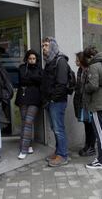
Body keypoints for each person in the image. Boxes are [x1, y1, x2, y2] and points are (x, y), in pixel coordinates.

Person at [41, 37, 70, 167]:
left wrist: (53, 99)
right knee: (55, 128)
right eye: (43, 46)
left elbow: (62, 84)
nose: (44, 48)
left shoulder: (60, 61)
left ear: (53, 46)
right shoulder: (49, 62)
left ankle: (63, 155)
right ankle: (59, 152)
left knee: (58, 129)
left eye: (46, 45)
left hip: (57, 102)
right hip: (50, 101)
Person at [83, 46, 102, 169]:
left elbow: (93, 86)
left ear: (90, 56)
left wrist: (85, 87)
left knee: (100, 133)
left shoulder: (94, 66)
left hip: (97, 104)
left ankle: (100, 161)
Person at [15, 49, 42, 160]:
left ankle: (24, 149)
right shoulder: (22, 68)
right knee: (24, 122)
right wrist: (34, 79)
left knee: (28, 121)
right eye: (30, 58)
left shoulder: (39, 69)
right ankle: (29, 144)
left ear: (36, 59)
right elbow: (22, 79)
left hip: (34, 99)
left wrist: (30, 78)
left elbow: (41, 80)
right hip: (23, 98)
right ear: (27, 59)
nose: (32, 61)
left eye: (34, 59)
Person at [73, 52, 96, 157]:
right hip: (82, 102)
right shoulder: (80, 70)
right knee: (86, 124)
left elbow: (91, 87)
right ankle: (87, 145)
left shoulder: (89, 70)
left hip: (89, 102)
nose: (76, 61)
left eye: (77, 60)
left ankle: (92, 147)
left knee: (91, 125)